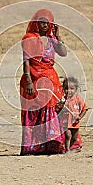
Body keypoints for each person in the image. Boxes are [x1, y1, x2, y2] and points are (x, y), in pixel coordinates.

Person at [19, 9, 67, 155]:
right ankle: (33, 147)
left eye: (48, 23)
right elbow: (26, 60)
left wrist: (58, 36)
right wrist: (28, 81)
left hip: (49, 79)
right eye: (42, 22)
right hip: (33, 79)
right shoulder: (29, 38)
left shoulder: (52, 39)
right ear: (37, 23)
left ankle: (51, 145)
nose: (45, 25)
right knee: (33, 110)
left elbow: (63, 53)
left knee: (50, 110)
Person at [62, 76, 88, 152]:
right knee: (67, 135)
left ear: (76, 89)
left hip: (75, 123)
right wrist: (61, 106)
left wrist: (80, 117)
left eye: (71, 89)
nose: (68, 91)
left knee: (74, 137)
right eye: (66, 88)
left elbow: (84, 109)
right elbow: (58, 110)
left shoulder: (78, 99)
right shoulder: (63, 99)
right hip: (66, 122)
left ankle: (70, 147)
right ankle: (67, 150)